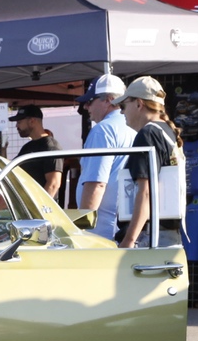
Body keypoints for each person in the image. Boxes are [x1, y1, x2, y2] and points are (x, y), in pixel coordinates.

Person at [115, 76, 185, 249]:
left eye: (123, 105)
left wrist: (129, 241)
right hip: (167, 235)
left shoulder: (147, 134)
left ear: (139, 104)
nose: (122, 112)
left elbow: (145, 193)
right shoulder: (167, 131)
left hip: (149, 236)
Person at [74, 74, 135, 240]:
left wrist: (81, 231)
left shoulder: (103, 130)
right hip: (126, 227)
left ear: (108, 100)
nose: (86, 107)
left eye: (90, 101)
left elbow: (96, 183)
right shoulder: (133, 126)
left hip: (102, 233)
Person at [9, 105, 64, 199]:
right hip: (25, 208)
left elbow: (53, 184)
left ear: (32, 121)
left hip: (40, 210)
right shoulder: (27, 147)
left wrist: (41, 209)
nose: (16, 126)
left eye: (19, 122)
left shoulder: (51, 147)